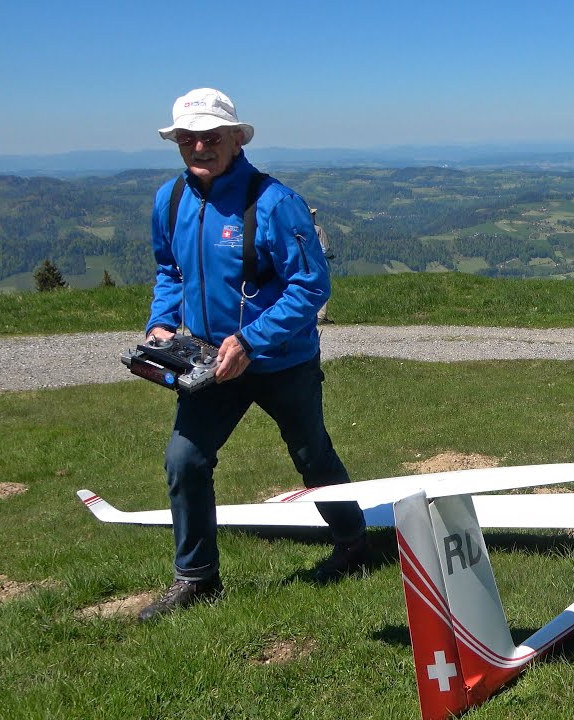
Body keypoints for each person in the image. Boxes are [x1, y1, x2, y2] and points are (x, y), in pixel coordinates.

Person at [138, 88, 368, 622]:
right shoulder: (169, 201)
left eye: (211, 136)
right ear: (176, 143)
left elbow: (311, 285)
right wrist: (159, 323)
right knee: (184, 459)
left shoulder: (275, 203)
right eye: (188, 138)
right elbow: (169, 271)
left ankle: (355, 543)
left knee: (312, 454)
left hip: (281, 360)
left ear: (237, 139)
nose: (199, 146)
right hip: (206, 360)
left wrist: (251, 341)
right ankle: (197, 578)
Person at [311, 208, 334, 324]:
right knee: (322, 288)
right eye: (313, 213)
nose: (315, 215)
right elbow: (325, 249)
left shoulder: (298, 230)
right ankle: (321, 316)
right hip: (320, 264)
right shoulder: (318, 230)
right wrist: (331, 255)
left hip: (305, 264)